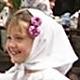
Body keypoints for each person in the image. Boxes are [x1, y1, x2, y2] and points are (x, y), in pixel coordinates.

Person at [0, 8, 78, 80]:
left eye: (19, 38)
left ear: (39, 42)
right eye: (9, 38)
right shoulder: (18, 72)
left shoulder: (49, 77)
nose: (11, 45)